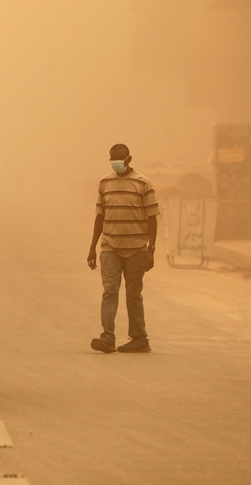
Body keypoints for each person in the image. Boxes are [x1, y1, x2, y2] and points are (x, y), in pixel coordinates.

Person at [86, 144, 160, 353]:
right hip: (110, 246)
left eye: (119, 158)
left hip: (136, 248)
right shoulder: (105, 183)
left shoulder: (143, 183)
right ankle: (107, 337)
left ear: (129, 159)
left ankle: (140, 338)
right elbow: (100, 217)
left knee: (133, 294)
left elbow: (152, 218)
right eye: (112, 159)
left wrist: (151, 249)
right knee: (110, 290)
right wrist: (92, 247)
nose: (116, 162)